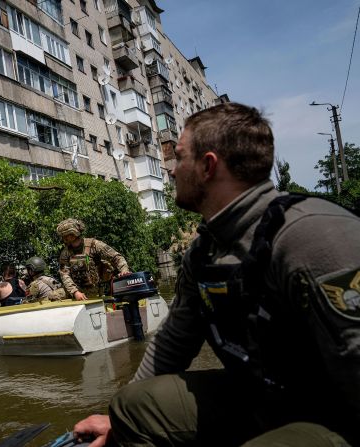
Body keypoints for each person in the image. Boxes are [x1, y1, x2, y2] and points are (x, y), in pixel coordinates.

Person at [73, 102, 360, 446]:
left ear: (208, 165)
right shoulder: (205, 250)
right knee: (132, 406)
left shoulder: (312, 235)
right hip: (264, 394)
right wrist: (117, 424)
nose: (172, 171)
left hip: (339, 415)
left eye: (179, 158)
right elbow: (172, 343)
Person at [57, 218, 131, 300]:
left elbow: (116, 257)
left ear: (72, 234)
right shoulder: (65, 252)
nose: (65, 238)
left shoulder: (94, 245)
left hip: (95, 288)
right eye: (64, 236)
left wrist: (124, 270)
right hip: (77, 289)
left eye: (66, 235)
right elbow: (64, 274)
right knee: (54, 296)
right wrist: (75, 292)